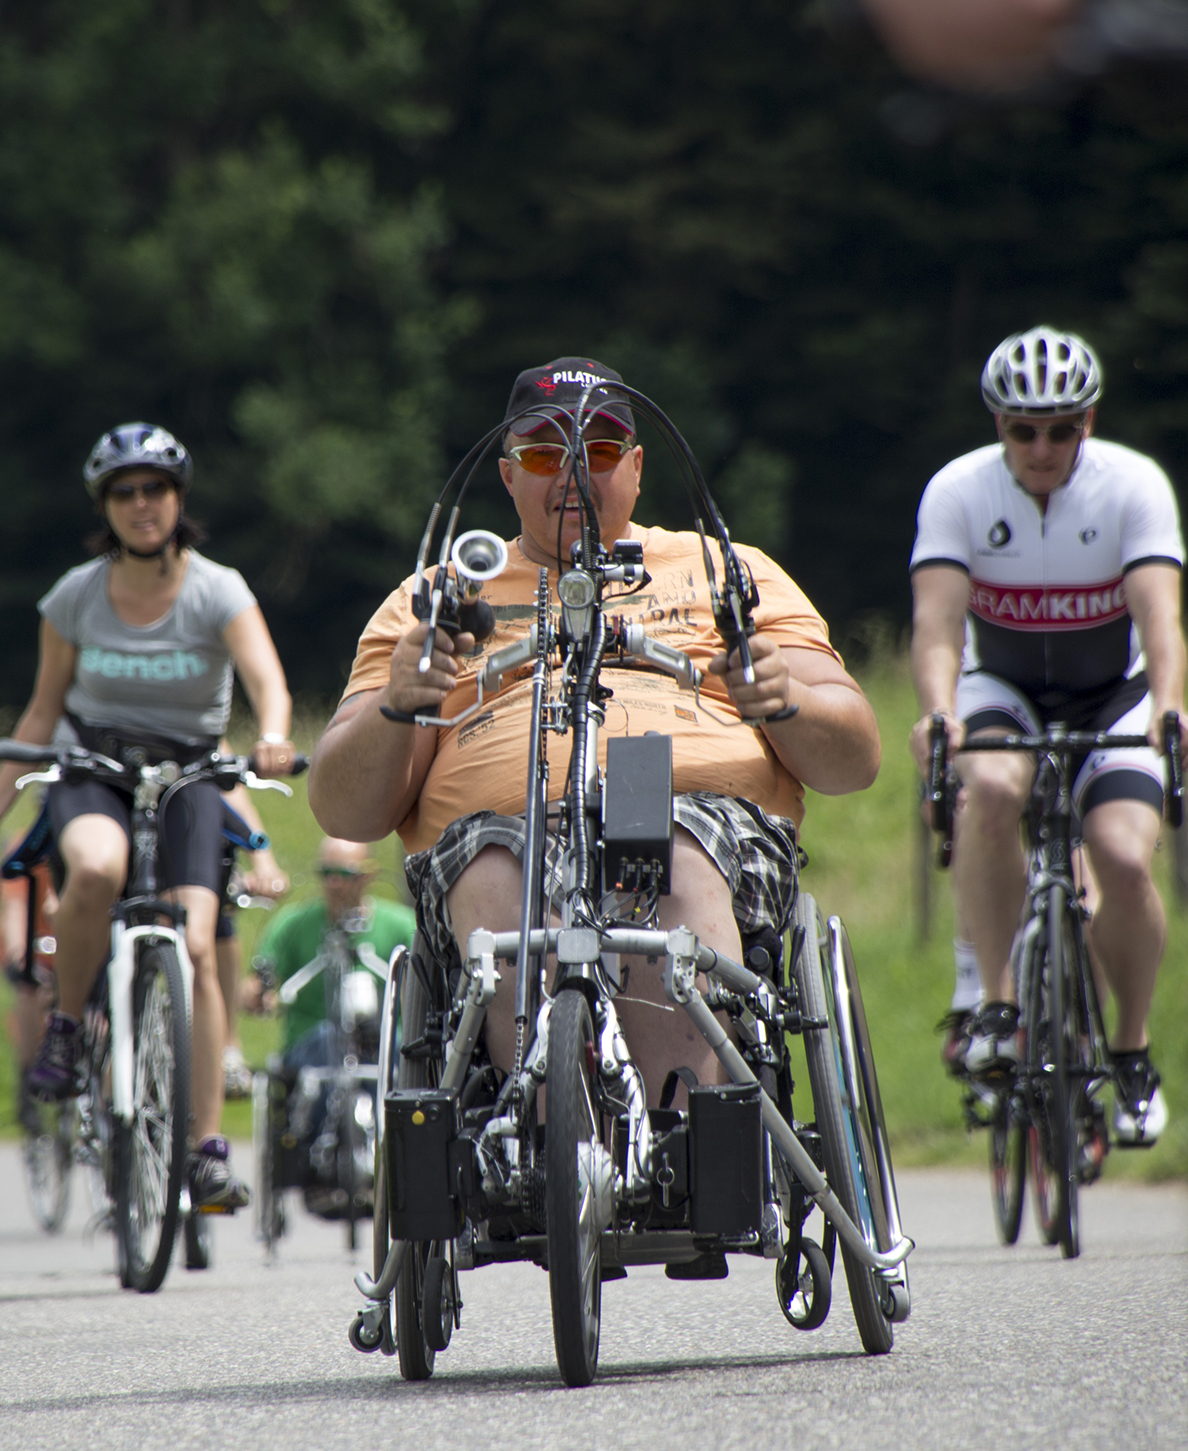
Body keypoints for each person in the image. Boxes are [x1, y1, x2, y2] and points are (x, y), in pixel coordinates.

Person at [308, 357, 880, 1115]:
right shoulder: (438, 599)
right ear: (508, 476)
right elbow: (344, 809)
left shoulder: (728, 572)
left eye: (599, 452)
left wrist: (786, 699)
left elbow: (856, 756)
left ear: (638, 468)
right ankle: (539, 1143)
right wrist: (398, 703)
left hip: (699, 815)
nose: (573, 474)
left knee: (666, 853)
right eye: (545, 455)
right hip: (495, 833)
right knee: (492, 873)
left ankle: (684, 1137)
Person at [0, 423, 297, 1208]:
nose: (142, 504)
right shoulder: (76, 594)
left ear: (178, 498)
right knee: (94, 867)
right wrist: (5, 788)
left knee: (197, 943)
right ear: (106, 504)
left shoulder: (217, 588)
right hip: (93, 766)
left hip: (190, 773)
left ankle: (203, 1147)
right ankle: (68, 1026)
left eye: (155, 488)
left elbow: (267, 679)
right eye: (124, 491)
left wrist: (269, 737)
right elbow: (40, 709)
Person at [908, 326, 1183, 1145]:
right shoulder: (958, 490)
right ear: (998, 424)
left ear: (1088, 422)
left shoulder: (1133, 485)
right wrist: (937, 709)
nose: (1041, 447)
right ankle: (997, 1002)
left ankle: (1130, 1051)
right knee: (989, 788)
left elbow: (1160, 618)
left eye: (1061, 429)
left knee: (1124, 856)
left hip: (1115, 695)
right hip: (1005, 689)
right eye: (1023, 430)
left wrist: (1169, 707)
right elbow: (935, 626)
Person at [245, 836, 415, 1072]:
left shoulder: (402, 926)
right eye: (326, 873)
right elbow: (251, 989)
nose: (334, 883)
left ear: (369, 875)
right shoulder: (293, 923)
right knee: (329, 1040)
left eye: (345, 874)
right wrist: (260, 994)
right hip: (310, 1048)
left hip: (386, 1046)